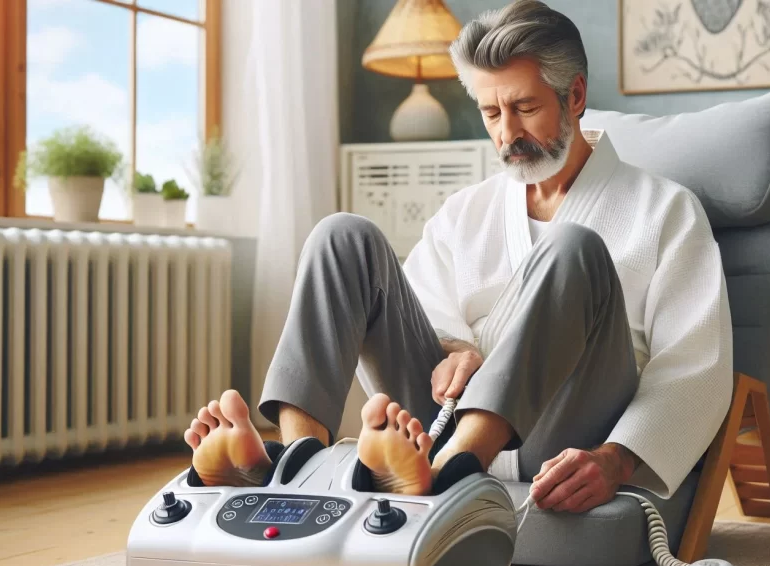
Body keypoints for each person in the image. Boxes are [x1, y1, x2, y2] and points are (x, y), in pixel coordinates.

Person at [184, 0, 733, 512]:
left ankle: (448, 474)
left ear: (576, 96)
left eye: (524, 108)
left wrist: (615, 459)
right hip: (440, 422)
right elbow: (419, 310)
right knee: (341, 235)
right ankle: (297, 467)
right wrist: (455, 347)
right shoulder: (465, 211)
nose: (507, 134)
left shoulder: (664, 210)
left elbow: (696, 367)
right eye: (491, 113)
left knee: (573, 247)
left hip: (569, 430)